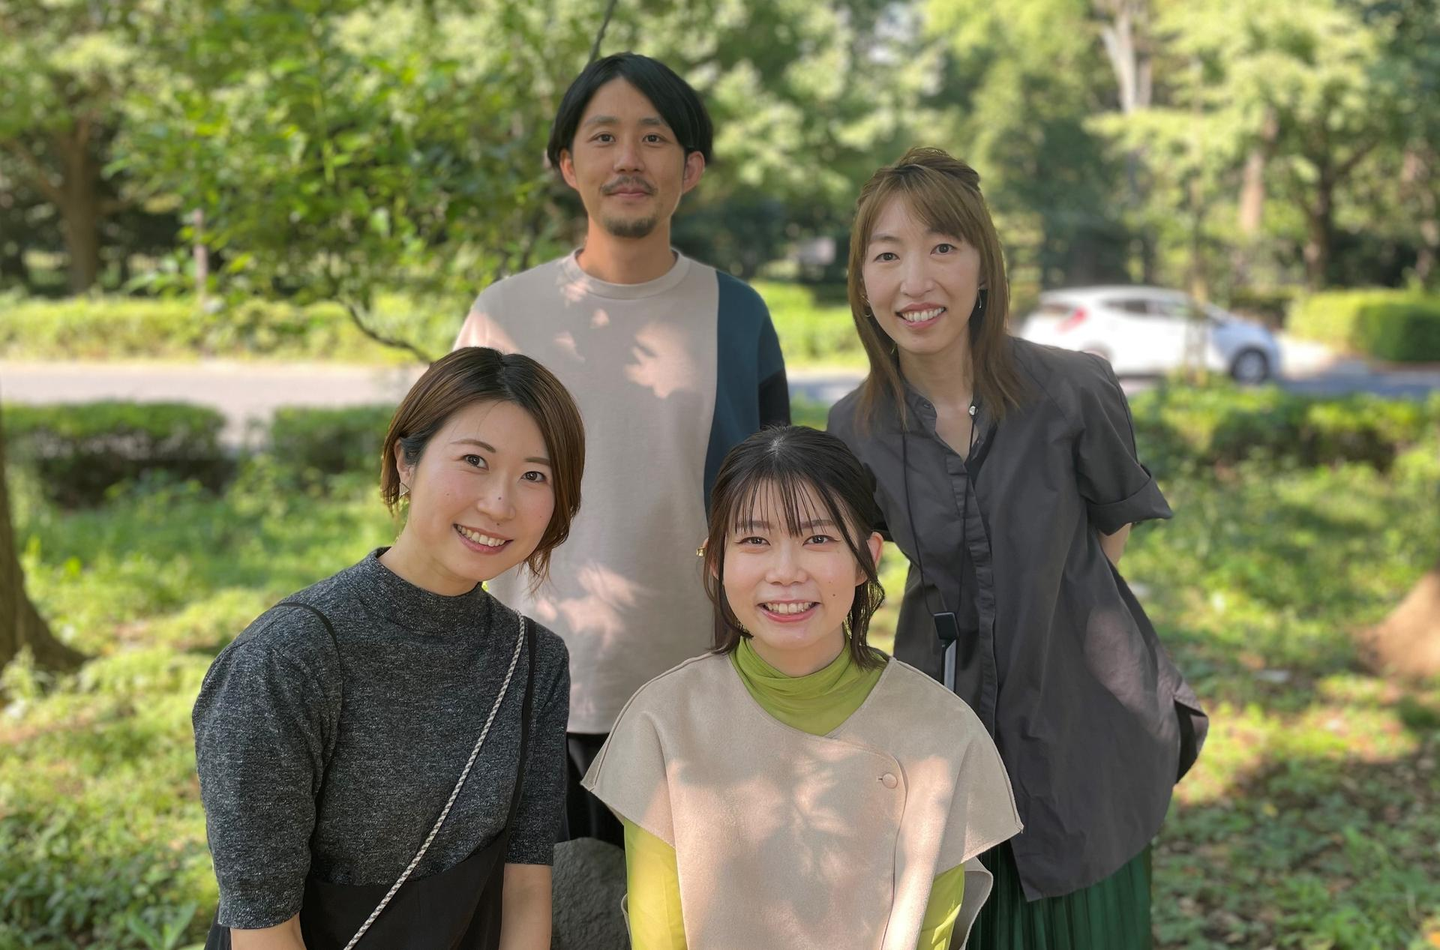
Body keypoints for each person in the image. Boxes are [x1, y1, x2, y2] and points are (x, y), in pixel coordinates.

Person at [826, 147, 1209, 948]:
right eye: (887, 255)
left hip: (1085, 722)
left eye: (943, 247)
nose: (915, 281)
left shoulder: (1075, 389)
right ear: (861, 281)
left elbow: (1108, 536)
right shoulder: (854, 429)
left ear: (984, 266)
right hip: (943, 728)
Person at [455, 52, 790, 846]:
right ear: (568, 165)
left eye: (654, 137)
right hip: (526, 693)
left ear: (692, 168)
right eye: (604, 137)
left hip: (700, 692)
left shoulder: (736, 315)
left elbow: (777, 508)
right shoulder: (505, 315)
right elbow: (448, 497)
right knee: (541, 906)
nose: (629, 159)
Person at [193, 347, 584, 950]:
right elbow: (262, 927)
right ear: (406, 460)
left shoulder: (534, 660)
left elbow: (525, 882)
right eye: (474, 461)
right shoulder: (287, 659)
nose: (499, 504)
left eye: (535, 476)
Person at [582, 425, 1022, 950]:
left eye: (818, 539)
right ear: (717, 559)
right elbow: (660, 933)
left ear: (867, 558)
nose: (786, 572)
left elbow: (930, 934)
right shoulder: (662, 720)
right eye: (755, 541)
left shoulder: (941, 730)